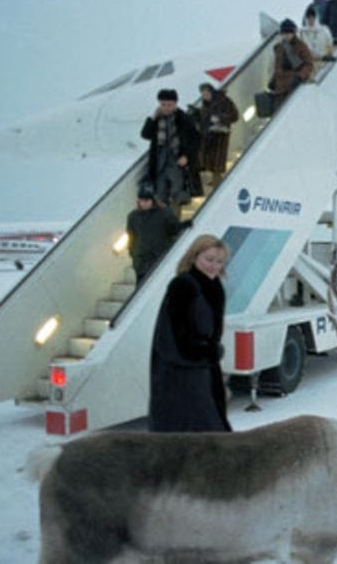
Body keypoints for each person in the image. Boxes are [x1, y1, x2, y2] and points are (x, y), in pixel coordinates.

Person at [148, 234, 232, 433]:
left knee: (206, 431)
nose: (214, 266)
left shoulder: (214, 287)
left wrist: (211, 353)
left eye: (219, 261)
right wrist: (205, 352)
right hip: (180, 375)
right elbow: (172, 336)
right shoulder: (183, 285)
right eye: (209, 259)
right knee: (192, 432)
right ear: (194, 257)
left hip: (202, 371)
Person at [140, 88, 200, 212]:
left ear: (175, 104)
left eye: (169, 105)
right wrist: (152, 117)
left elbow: (196, 140)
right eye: (163, 104)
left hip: (177, 162)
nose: (166, 108)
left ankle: (175, 219)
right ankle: (166, 219)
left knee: (177, 192)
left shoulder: (183, 118)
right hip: (160, 162)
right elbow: (145, 135)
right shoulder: (157, 119)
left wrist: (187, 156)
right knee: (160, 193)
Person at [126, 183, 183, 287]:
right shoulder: (133, 216)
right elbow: (131, 237)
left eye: (147, 200)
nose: (144, 203)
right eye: (141, 200)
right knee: (142, 289)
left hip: (160, 259)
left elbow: (174, 230)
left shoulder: (165, 213)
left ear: (153, 200)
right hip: (141, 262)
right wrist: (134, 254)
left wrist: (183, 225)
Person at [196, 83, 238, 186]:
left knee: (217, 158)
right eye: (203, 94)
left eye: (206, 93)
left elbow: (234, 116)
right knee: (209, 158)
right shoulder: (205, 104)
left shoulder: (224, 101)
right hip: (208, 134)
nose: (205, 96)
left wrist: (220, 118)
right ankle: (215, 178)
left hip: (220, 134)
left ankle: (217, 179)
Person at [271, 19, 314, 111]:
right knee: (279, 114)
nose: (286, 36)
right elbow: (278, 66)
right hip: (280, 89)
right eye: (283, 34)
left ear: (293, 33)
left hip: (293, 87)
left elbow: (309, 64)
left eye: (288, 33)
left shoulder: (301, 46)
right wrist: (273, 80)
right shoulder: (279, 48)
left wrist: (300, 77)